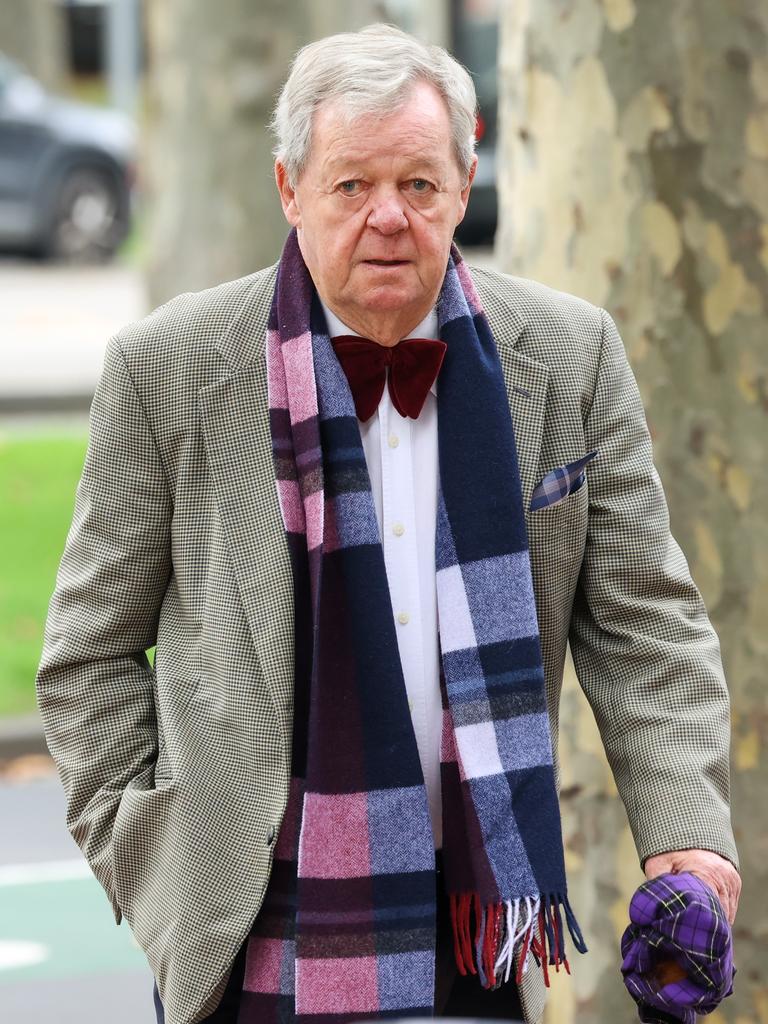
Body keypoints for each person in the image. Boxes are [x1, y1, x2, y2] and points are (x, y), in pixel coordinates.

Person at [35, 23, 740, 1024]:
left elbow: (648, 627)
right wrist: (150, 859)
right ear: (290, 190)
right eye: (352, 186)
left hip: (479, 915)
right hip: (247, 929)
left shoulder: (570, 356)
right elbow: (87, 658)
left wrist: (689, 838)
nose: (388, 218)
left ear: (464, 179)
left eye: (417, 184)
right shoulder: (169, 369)